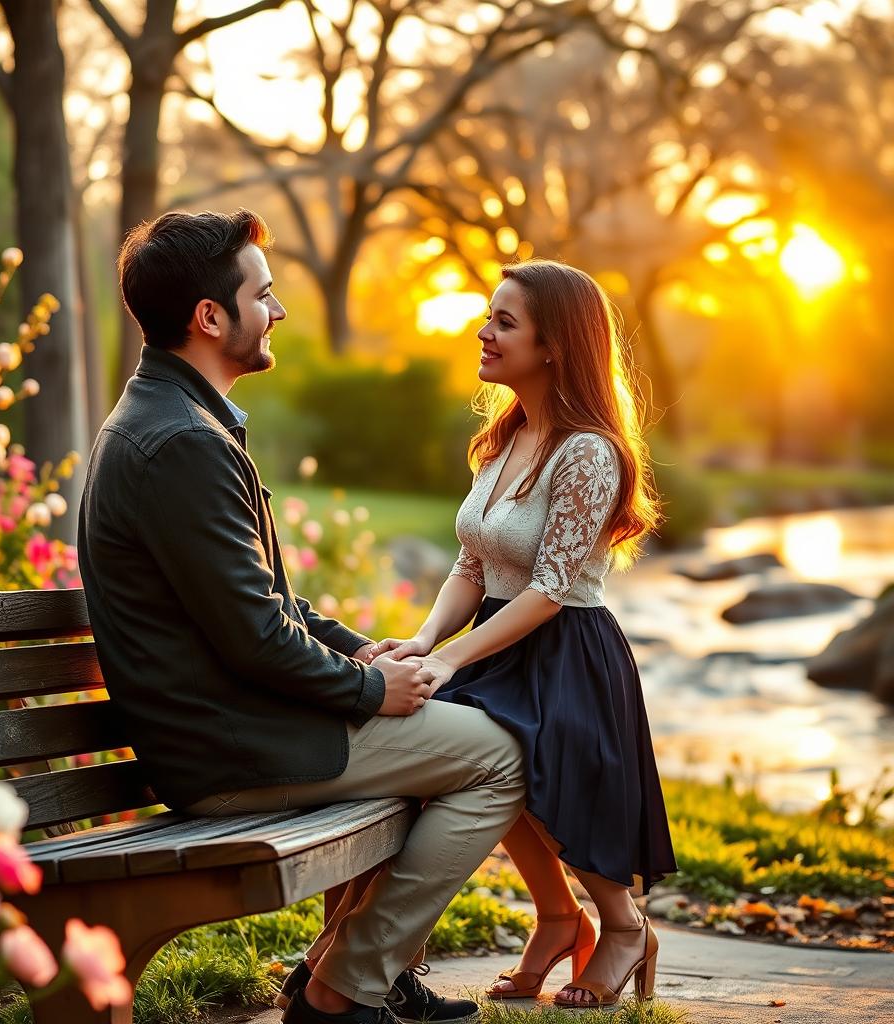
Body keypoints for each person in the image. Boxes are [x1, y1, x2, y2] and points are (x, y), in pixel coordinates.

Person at [77, 209, 526, 1024]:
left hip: (236, 724)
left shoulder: (183, 420)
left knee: (450, 716)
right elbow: (254, 638)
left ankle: (355, 970)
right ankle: (343, 988)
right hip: (230, 747)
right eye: (265, 294)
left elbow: (268, 606)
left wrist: (366, 653)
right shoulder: (179, 441)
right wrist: (368, 691)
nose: (278, 311)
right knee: (499, 755)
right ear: (210, 317)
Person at [366, 259, 678, 1009]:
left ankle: (622, 926)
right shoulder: (506, 438)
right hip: (496, 641)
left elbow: (547, 590)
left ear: (554, 346)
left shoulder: (589, 453)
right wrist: (423, 639)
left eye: (505, 321)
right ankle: (556, 917)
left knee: (556, 792)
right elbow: (471, 565)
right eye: (488, 315)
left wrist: (450, 660)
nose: (483, 330)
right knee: (506, 784)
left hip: (565, 648)